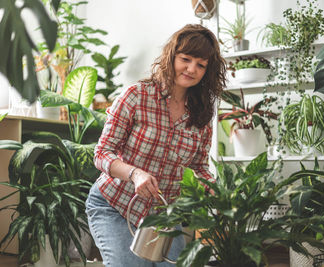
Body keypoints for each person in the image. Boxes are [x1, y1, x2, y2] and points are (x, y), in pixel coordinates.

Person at [85, 24, 227, 267]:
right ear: (172, 56)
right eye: (186, 59)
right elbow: (102, 153)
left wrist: (213, 189)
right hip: (115, 207)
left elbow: (199, 166)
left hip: (163, 217)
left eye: (201, 65)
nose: (191, 69)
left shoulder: (201, 113)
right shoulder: (136, 95)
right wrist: (135, 174)